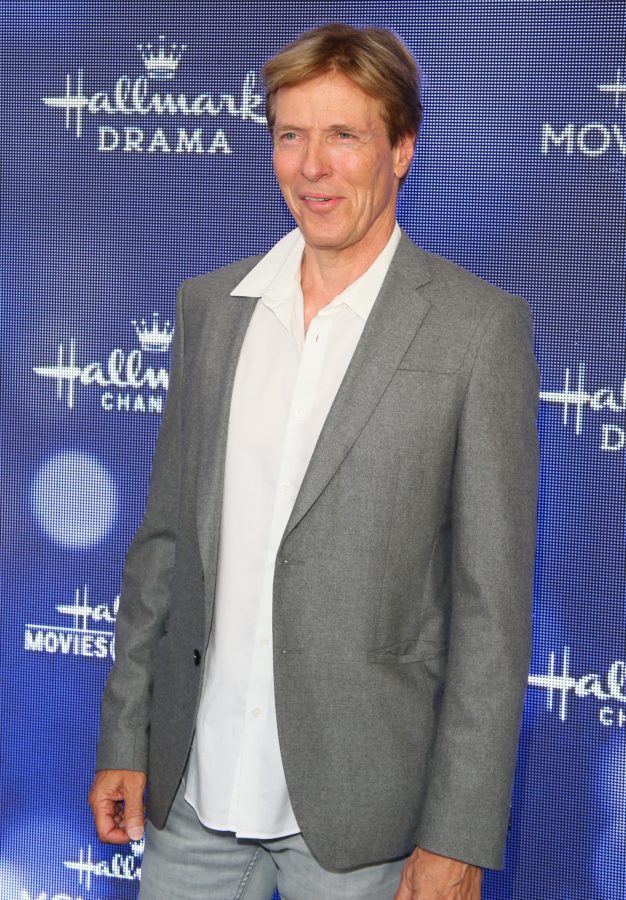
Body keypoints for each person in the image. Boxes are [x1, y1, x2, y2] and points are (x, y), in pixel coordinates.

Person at [89, 23, 539, 900]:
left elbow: (491, 615)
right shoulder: (212, 309)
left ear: (401, 149)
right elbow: (164, 547)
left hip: (364, 818)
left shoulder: (477, 332)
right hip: (191, 798)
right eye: (291, 135)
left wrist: (457, 835)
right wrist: (125, 738)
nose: (312, 167)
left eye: (344, 136)